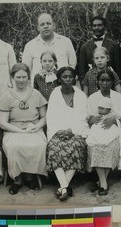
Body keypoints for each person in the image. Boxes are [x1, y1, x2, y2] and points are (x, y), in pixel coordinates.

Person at [0, 63, 47, 195]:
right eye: (18, 77)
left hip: (34, 129)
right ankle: (17, 180)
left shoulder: (36, 94)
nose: (21, 80)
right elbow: (3, 123)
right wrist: (20, 131)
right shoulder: (7, 96)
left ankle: (30, 177)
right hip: (13, 130)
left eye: (24, 77)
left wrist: (36, 127)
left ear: (28, 77)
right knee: (15, 146)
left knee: (39, 145)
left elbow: (44, 117)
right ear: (13, 77)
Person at [87, 68, 121, 194]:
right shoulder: (92, 98)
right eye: (102, 80)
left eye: (108, 80)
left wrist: (114, 120)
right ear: (98, 81)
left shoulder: (118, 97)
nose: (105, 83)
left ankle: (102, 182)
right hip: (97, 131)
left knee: (110, 146)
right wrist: (93, 119)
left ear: (113, 82)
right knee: (96, 146)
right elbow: (88, 120)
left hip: (115, 131)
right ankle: (103, 183)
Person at [46, 67, 89, 202]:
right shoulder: (55, 94)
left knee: (77, 146)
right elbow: (51, 116)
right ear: (59, 79)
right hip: (57, 130)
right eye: (64, 77)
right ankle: (65, 187)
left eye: (70, 76)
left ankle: (62, 187)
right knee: (54, 147)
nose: (68, 79)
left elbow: (83, 117)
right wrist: (59, 130)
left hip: (75, 130)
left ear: (75, 78)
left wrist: (72, 130)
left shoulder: (81, 95)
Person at [22, 13, 77, 86]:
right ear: (38, 28)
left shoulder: (65, 42)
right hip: (39, 90)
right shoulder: (30, 45)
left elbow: (72, 64)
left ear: (54, 25)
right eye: (42, 24)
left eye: (48, 23)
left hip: (63, 89)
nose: (45, 26)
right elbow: (26, 70)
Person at [79, 16, 120, 83]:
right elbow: (82, 70)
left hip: (109, 83)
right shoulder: (84, 47)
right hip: (91, 84)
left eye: (99, 25)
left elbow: (118, 68)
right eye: (94, 26)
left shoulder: (114, 45)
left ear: (105, 27)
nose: (97, 28)